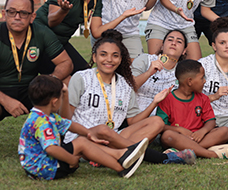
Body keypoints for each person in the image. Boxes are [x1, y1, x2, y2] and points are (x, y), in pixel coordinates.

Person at [65, 30, 196, 165]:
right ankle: (154, 157)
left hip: (113, 137)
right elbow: (67, 118)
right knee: (103, 130)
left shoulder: (125, 85)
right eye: (103, 54)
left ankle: (109, 155)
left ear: (121, 59)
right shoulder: (81, 78)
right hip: (82, 137)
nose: (109, 59)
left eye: (115, 56)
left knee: (157, 122)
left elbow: (133, 121)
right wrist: (87, 133)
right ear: (94, 57)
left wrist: (154, 102)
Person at [19, 75, 149, 179]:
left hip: (39, 164)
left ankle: (121, 155)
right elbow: (51, 149)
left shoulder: (43, 115)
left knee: (83, 141)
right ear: (55, 102)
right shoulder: (43, 122)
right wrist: (71, 160)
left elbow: (70, 125)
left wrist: (88, 133)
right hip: (45, 168)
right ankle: (121, 168)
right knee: (81, 143)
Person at [157, 60, 228, 159]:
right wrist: (180, 130)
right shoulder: (167, 99)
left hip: (200, 137)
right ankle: (211, 153)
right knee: (167, 136)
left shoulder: (203, 98)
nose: (204, 81)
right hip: (178, 138)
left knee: (225, 131)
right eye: (202, 78)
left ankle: (181, 151)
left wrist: (202, 131)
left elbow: (211, 121)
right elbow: (161, 126)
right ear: (189, 81)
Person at [35, 0, 116, 74]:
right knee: (66, 75)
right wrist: (63, 11)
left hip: (61, 42)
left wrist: (123, 16)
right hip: (40, 38)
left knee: (86, 74)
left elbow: (96, 32)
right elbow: (51, 21)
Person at [1, 0, 72, 120]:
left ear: (32, 17)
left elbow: (66, 62)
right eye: (11, 12)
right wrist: (5, 100)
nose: (17, 17)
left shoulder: (41, 32)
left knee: (66, 81)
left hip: (33, 89)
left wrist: (50, 81)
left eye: (23, 13)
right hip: (2, 91)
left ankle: (62, 131)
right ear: (3, 14)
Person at [132, 29, 187, 116]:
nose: (174, 43)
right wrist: (148, 73)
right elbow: (129, 87)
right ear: (162, 46)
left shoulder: (183, 72)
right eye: (170, 40)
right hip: (137, 115)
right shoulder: (145, 59)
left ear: (184, 51)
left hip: (165, 117)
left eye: (179, 42)